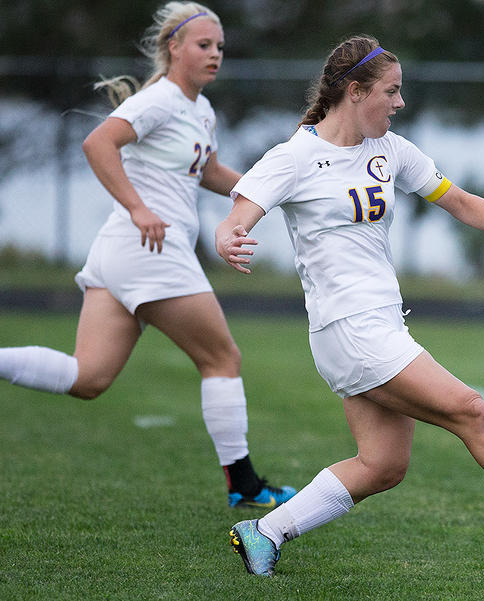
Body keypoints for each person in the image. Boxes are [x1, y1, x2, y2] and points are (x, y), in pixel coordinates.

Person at [217, 35, 484, 576]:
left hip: (378, 326)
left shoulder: (390, 150)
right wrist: (229, 239)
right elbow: (237, 217)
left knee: (382, 466)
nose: (400, 102)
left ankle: (264, 532)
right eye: (391, 91)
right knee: (472, 410)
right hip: (349, 329)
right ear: (355, 91)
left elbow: (459, 201)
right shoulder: (294, 158)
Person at [0, 2, 294, 509]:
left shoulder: (201, 109)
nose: (215, 54)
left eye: (220, 46)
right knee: (222, 358)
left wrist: (268, 190)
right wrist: (138, 208)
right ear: (173, 47)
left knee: (88, 377)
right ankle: (245, 487)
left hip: (122, 252)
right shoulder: (159, 100)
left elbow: (208, 172)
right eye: (204, 45)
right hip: (150, 249)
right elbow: (98, 144)